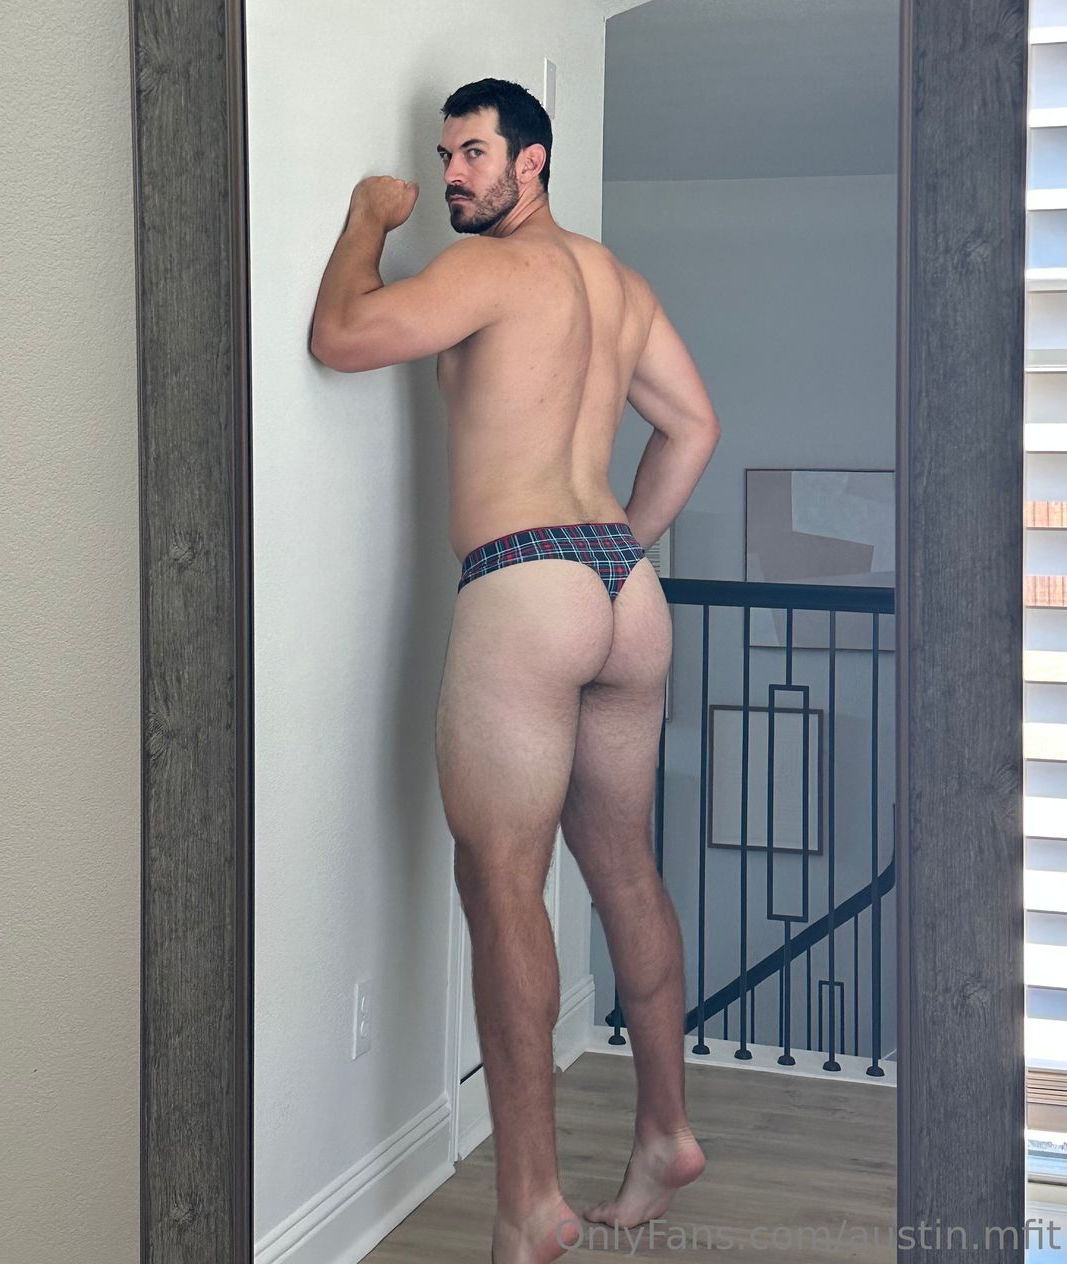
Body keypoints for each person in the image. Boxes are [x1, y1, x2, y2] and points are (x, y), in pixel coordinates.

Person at [309, 78, 721, 1264]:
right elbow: (693, 426)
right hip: (623, 591)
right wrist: (621, 548)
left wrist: (367, 218)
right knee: (624, 867)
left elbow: (342, 337)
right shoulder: (617, 282)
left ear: (530, 161)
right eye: (444, 156)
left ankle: (531, 1202)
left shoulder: (489, 270)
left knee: (502, 883)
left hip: (524, 581)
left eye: (474, 153)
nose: (452, 174)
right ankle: (665, 1132)